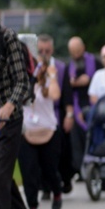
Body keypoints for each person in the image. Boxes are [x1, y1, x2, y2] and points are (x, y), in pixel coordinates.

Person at [0, 20, 31, 209]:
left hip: (10, 118)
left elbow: (23, 81)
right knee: (1, 177)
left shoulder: (8, 40)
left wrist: (10, 105)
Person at [17, 50, 63, 209]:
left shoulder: (49, 81)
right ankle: (33, 207)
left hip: (48, 131)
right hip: (27, 132)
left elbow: (55, 95)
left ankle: (57, 193)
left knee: (50, 170)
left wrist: (52, 76)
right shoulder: (23, 82)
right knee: (29, 172)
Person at [37, 34, 74, 197]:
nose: (44, 53)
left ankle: (63, 180)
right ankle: (45, 186)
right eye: (41, 50)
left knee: (59, 151)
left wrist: (69, 114)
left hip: (56, 113)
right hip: (39, 116)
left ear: (52, 50)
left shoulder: (60, 67)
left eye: (47, 50)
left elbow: (67, 93)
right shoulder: (33, 68)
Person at [67, 36, 103, 178]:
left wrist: (89, 80)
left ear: (83, 48)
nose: (76, 54)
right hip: (77, 107)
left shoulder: (95, 63)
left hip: (94, 104)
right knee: (77, 140)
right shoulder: (68, 67)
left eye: (78, 50)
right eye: (73, 51)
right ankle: (81, 170)